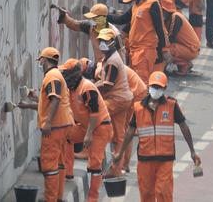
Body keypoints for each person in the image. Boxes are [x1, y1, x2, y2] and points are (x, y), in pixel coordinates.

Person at [113, 72, 201, 202]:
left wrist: (192, 151)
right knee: (146, 194)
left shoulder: (171, 105)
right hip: (145, 159)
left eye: (159, 87)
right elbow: (130, 131)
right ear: (148, 87)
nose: (156, 90)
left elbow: (183, 126)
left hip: (165, 159)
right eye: (154, 86)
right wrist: (120, 153)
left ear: (164, 88)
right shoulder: (138, 108)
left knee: (164, 192)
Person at [17, 47, 74, 202]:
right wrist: (32, 101)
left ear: (44, 60)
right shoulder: (56, 76)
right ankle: (58, 197)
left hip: (55, 127)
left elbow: (55, 99)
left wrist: (47, 122)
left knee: (49, 166)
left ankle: (51, 198)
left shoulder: (52, 76)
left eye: (40, 59)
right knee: (59, 163)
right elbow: (48, 103)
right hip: (63, 125)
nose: (40, 62)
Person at [59, 59, 113, 202]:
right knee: (65, 136)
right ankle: (68, 172)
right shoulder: (71, 89)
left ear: (74, 75)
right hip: (85, 126)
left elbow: (94, 113)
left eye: (66, 75)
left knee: (94, 164)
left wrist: (88, 135)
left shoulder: (86, 88)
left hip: (100, 127)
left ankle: (92, 198)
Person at [108, 0, 171, 81]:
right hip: (135, 51)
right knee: (136, 83)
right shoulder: (136, 6)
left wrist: (165, 50)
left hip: (145, 51)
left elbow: (160, 28)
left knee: (142, 83)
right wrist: (104, 16)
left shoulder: (152, 4)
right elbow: (121, 19)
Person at [93, 29, 134, 170]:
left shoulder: (112, 61)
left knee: (95, 117)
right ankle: (117, 169)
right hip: (123, 99)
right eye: (101, 41)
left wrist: (91, 89)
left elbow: (107, 86)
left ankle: (90, 152)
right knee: (119, 135)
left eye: (106, 41)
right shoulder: (110, 57)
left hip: (117, 99)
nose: (102, 44)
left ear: (112, 42)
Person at [56, 3, 125, 62]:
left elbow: (121, 55)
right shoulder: (91, 27)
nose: (92, 20)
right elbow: (75, 24)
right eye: (92, 18)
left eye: (94, 18)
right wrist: (64, 16)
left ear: (103, 18)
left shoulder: (115, 33)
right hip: (98, 66)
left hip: (112, 68)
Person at [160, 0, 201, 76]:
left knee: (165, 49)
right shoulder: (172, 17)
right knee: (166, 47)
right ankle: (183, 64)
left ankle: (184, 64)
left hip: (191, 49)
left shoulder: (175, 17)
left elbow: (170, 38)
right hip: (189, 48)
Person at [121, 64, 148, 173]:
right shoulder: (109, 64)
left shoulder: (103, 68)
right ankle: (124, 164)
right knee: (128, 129)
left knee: (128, 130)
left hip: (136, 94)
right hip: (136, 92)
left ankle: (125, 164)